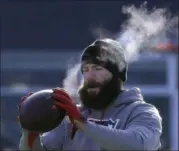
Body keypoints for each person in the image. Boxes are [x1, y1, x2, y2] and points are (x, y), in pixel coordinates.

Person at [18, 38, 162, 150]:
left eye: (97, 68)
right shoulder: (71, 117)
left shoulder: (141, 112)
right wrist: (30, 130)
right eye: (85, 70)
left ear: (117, 74)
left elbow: (139, 146)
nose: (89, 76)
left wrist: (82, 123)